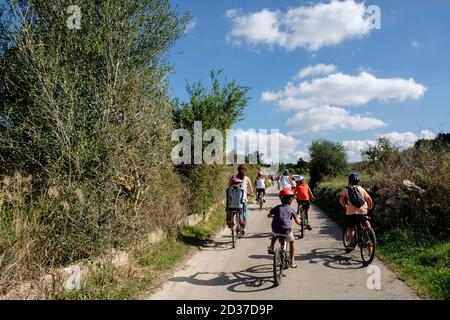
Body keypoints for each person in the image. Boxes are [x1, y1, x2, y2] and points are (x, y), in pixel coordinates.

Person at [267, 188, 301, 268]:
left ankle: (271, 246)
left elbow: (268, 215)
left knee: (275, 234)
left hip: (275, 229)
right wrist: (299, 220)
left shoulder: (277, 207)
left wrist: (273, 216)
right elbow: (297, 222)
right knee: (292, 242)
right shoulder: (291, 209)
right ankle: (292, 261)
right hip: (286, 231)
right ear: (290, 200)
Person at [339, 173, 373, 245]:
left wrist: (345, 206)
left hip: (351, 211)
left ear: (349, 180)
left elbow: (341, 200)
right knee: (366, 222)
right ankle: (368, 233)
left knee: (351, 227)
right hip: (363, 210)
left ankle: (351, 242)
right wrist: (369, 207)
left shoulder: (345, 189)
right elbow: (369, 199)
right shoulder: (361, 188)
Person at [228, 164, 253, 235]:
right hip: (243, 199)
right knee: (244, 213)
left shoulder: (233, 177)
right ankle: (243, 228)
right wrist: (249, 193)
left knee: (229, 208)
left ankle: (229, 220)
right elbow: (251, 190)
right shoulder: (247, 179)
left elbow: (229, 187)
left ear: (238, 170)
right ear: (246, 171)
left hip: (232, 199)